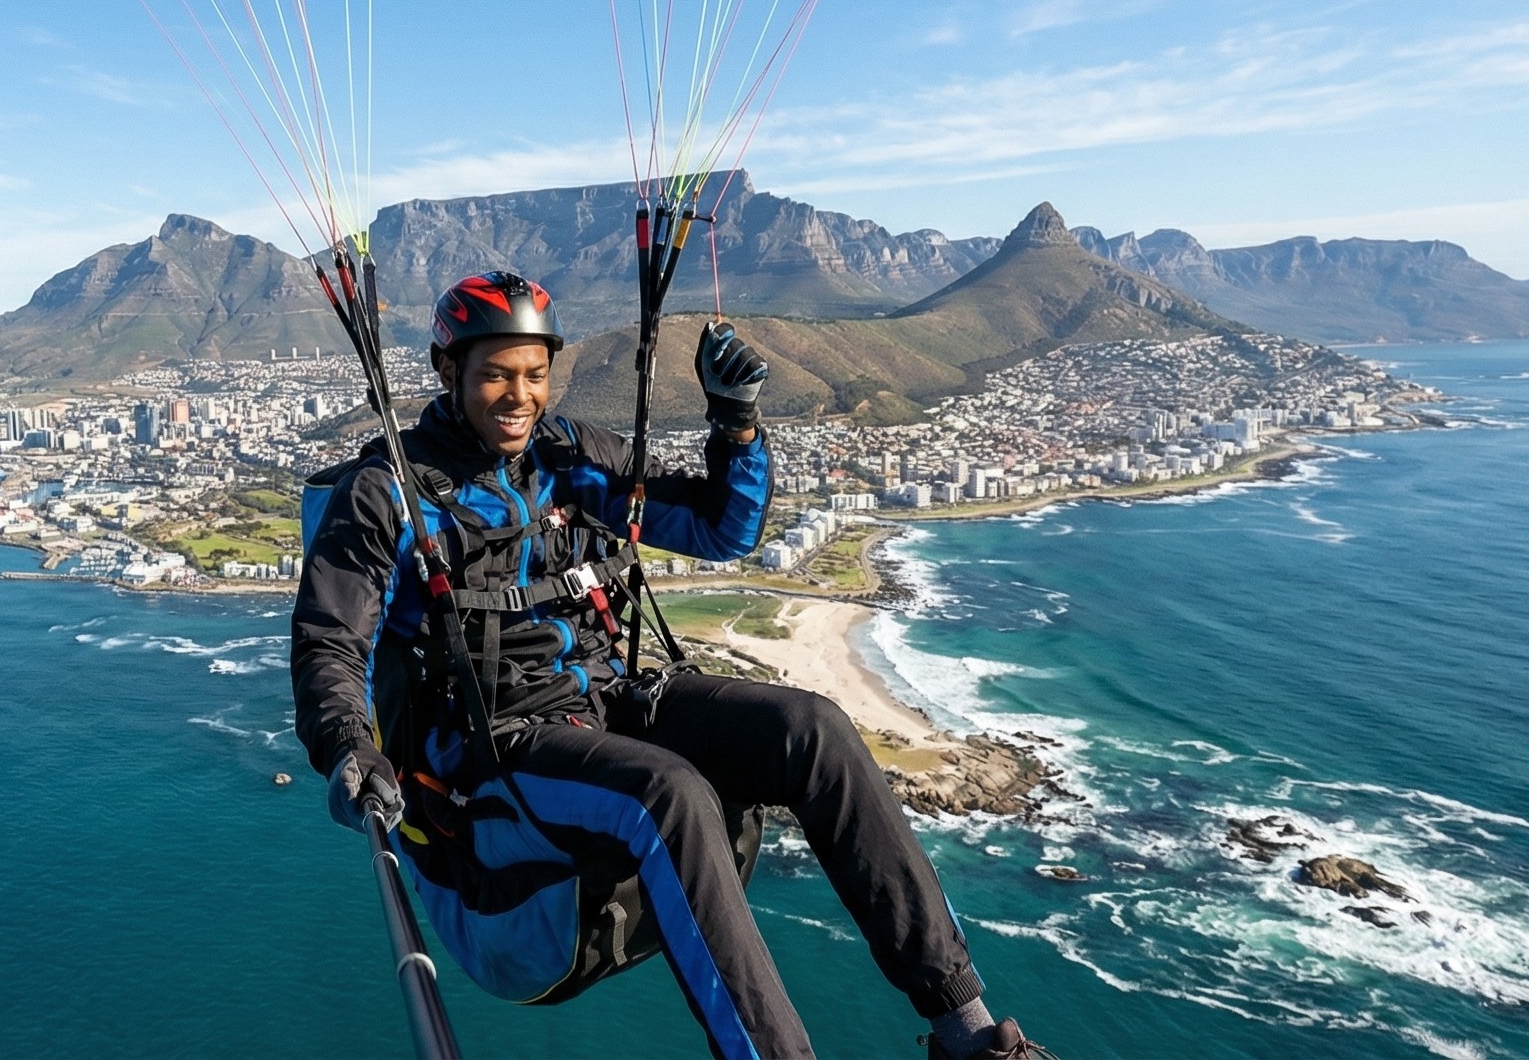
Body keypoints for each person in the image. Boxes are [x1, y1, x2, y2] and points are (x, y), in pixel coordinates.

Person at [291, 271, 1049, 1060]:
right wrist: (348, 742)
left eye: (535, 374)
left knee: (812, 728)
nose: (520, 396)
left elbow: (723, 530)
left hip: (607, 701)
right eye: (496, 374)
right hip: (496, 746)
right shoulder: (388, 493)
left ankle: (967, 1028)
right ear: (449, 372)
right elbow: (329, 636)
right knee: (669, 795)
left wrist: (737, 427)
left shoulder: (571, 458)